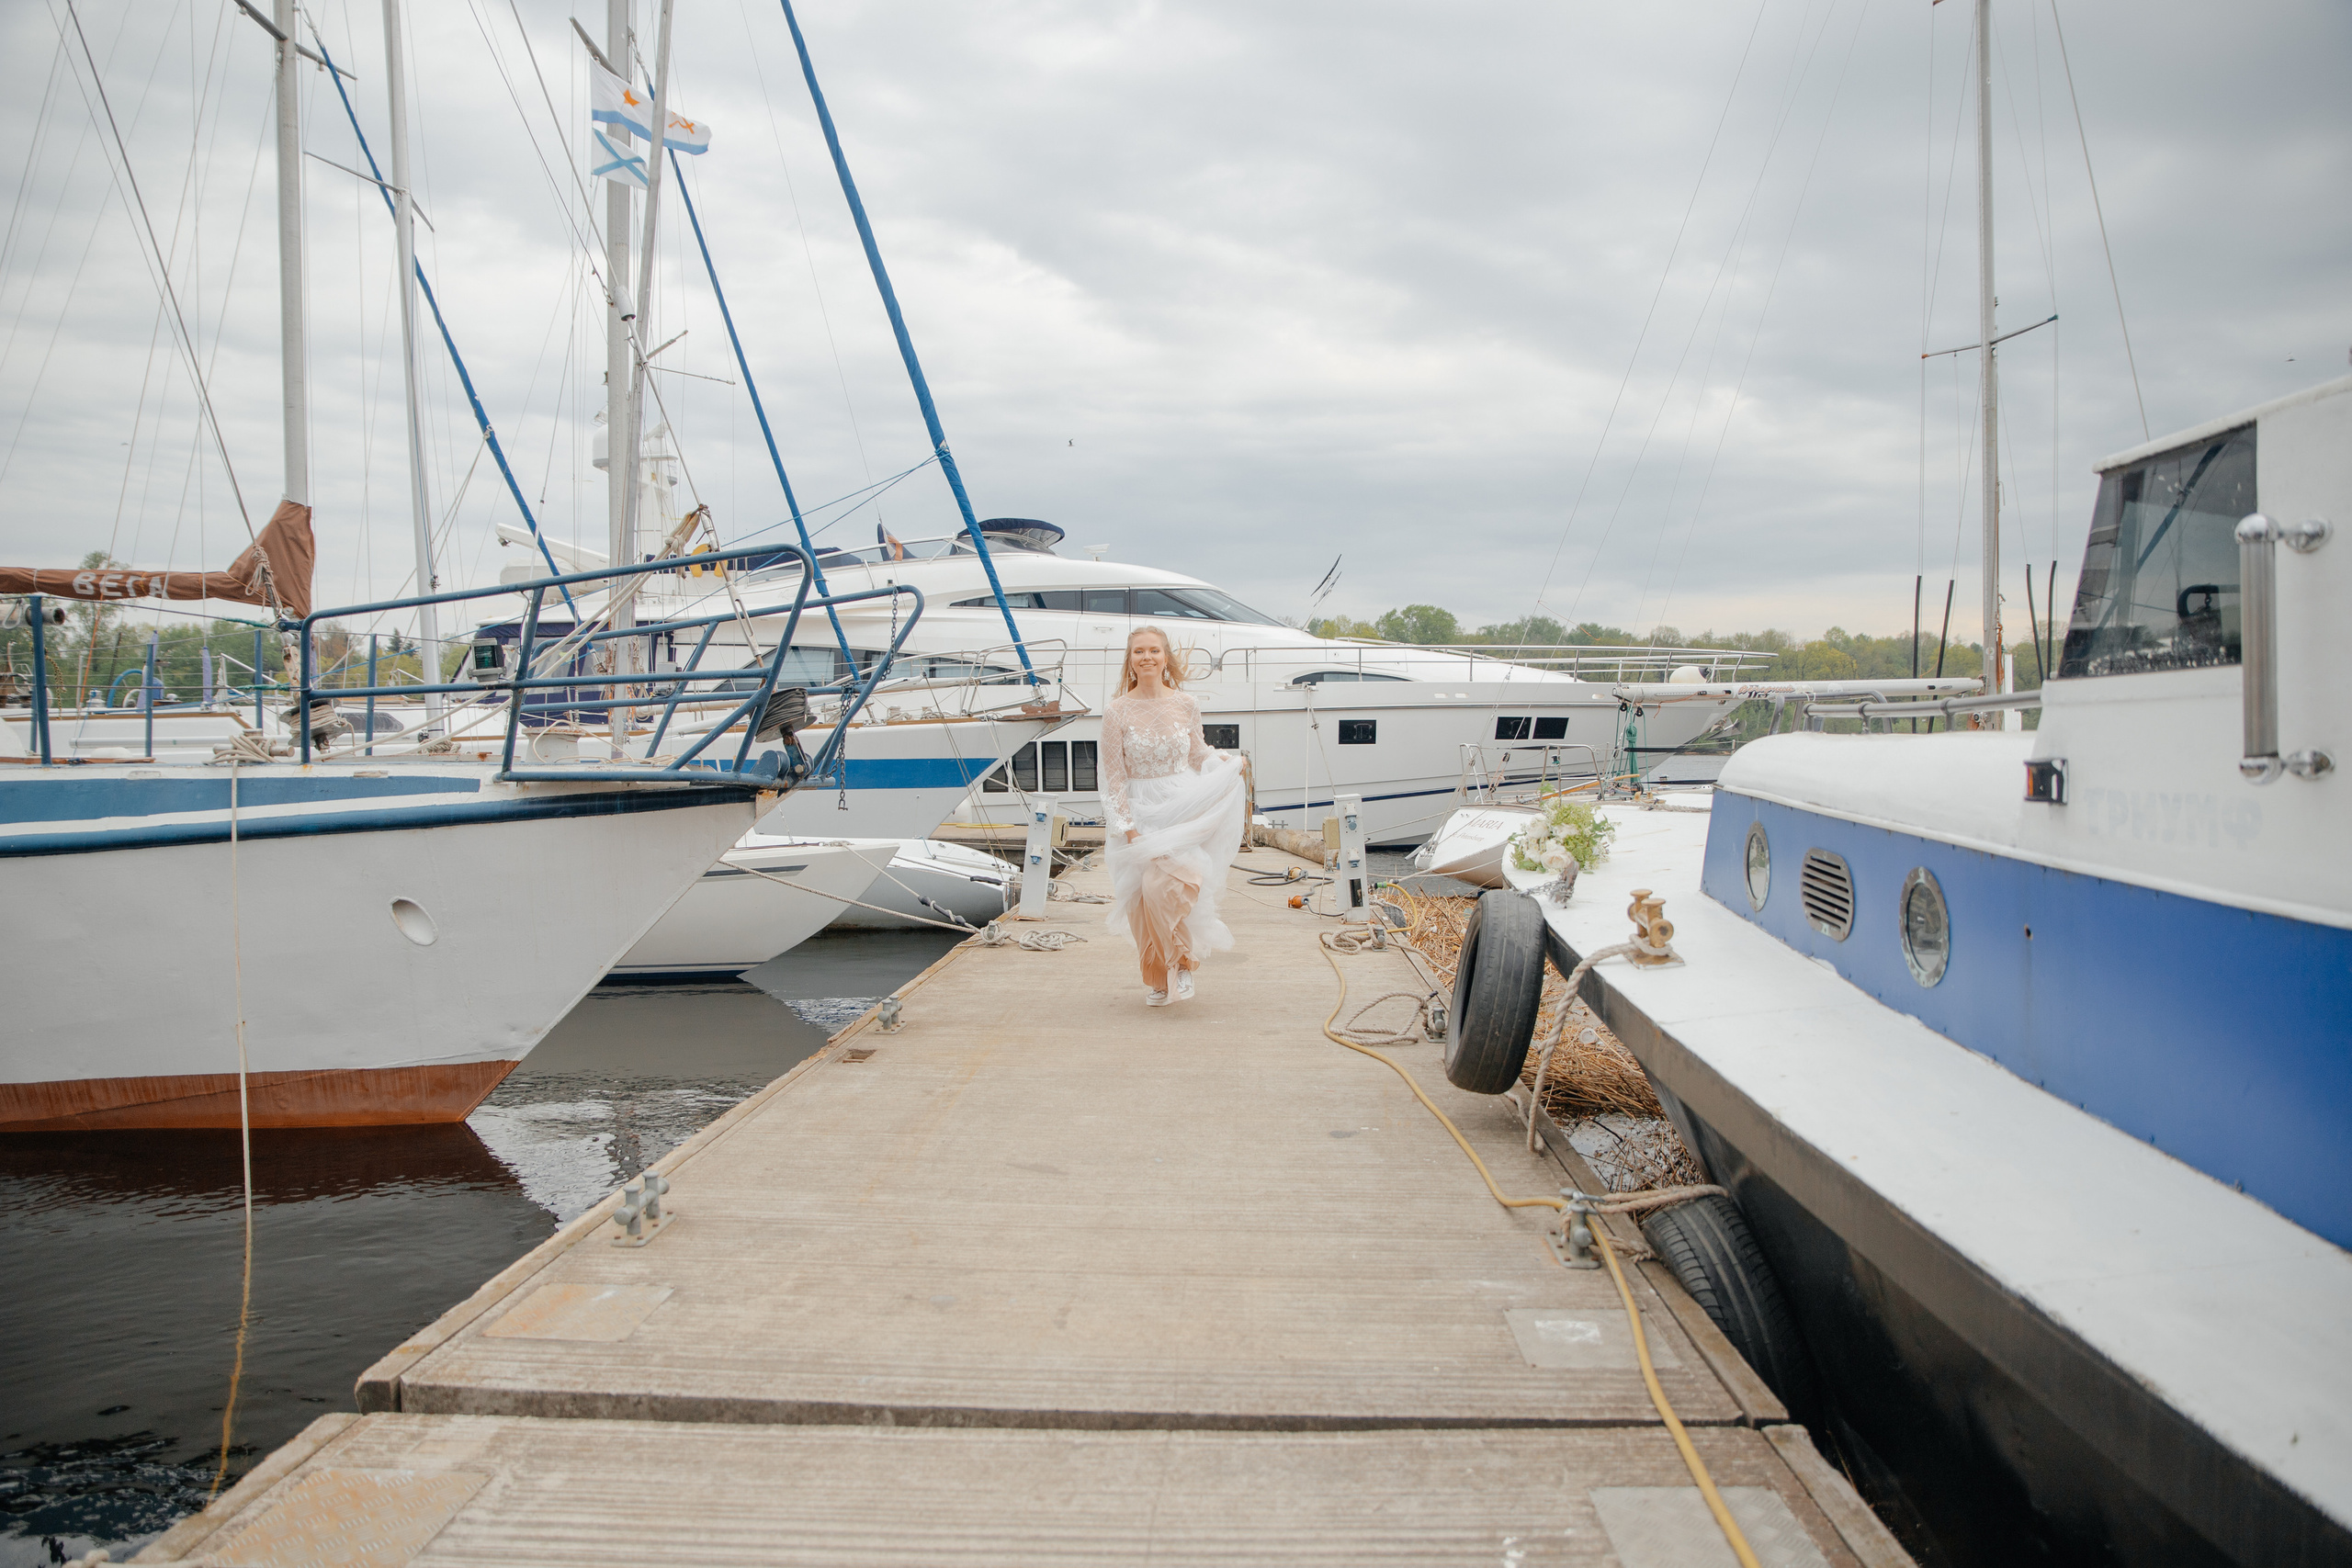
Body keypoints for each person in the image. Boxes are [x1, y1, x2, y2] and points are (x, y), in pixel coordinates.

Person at [1100, 626, 1249, 1006]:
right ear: (1130, 661)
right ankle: (1156, 979)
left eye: (1153, 651)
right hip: (1137, 809)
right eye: (1138, 652)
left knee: (1167, 886)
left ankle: (1182, 963)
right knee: (1140, 898)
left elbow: (1197, 754)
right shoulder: (1116, 711)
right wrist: (1128, 830)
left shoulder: (1186, 703)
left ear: (1166, 658)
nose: (1146, 657)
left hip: (1181, 803)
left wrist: (1224, 763)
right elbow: (1114, 778)